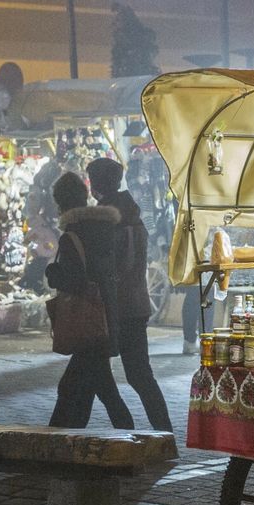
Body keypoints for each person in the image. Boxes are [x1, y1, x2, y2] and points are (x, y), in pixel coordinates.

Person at [85, 157, 173, 433]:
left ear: (96, 184)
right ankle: (163, 432)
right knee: (139, 375)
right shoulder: (134, 216)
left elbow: (104, 268)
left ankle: (130, 429)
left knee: (100, 375)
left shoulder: (105, 220)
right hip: (136, 305)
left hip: (112, 308)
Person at [46, 172, 134, 430]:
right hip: (105, 319)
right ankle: (65, 439)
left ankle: (56, 442)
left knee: (82, 389)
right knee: (93, 389)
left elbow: (74, 281)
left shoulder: (72, 236)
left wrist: (52, 273)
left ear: (61, 203)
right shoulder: (105, 230)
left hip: (88, 324)